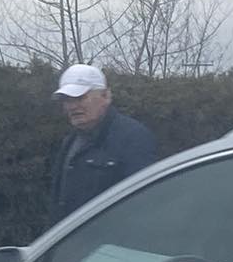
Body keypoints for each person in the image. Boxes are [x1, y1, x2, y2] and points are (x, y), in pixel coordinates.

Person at [49, 63, 157, 222]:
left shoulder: (133, 138)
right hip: (75, 244)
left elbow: (144, 204)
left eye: (80, 98)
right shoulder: (70, 142)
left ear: (106, 96)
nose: (72, 106)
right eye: (67, 100)